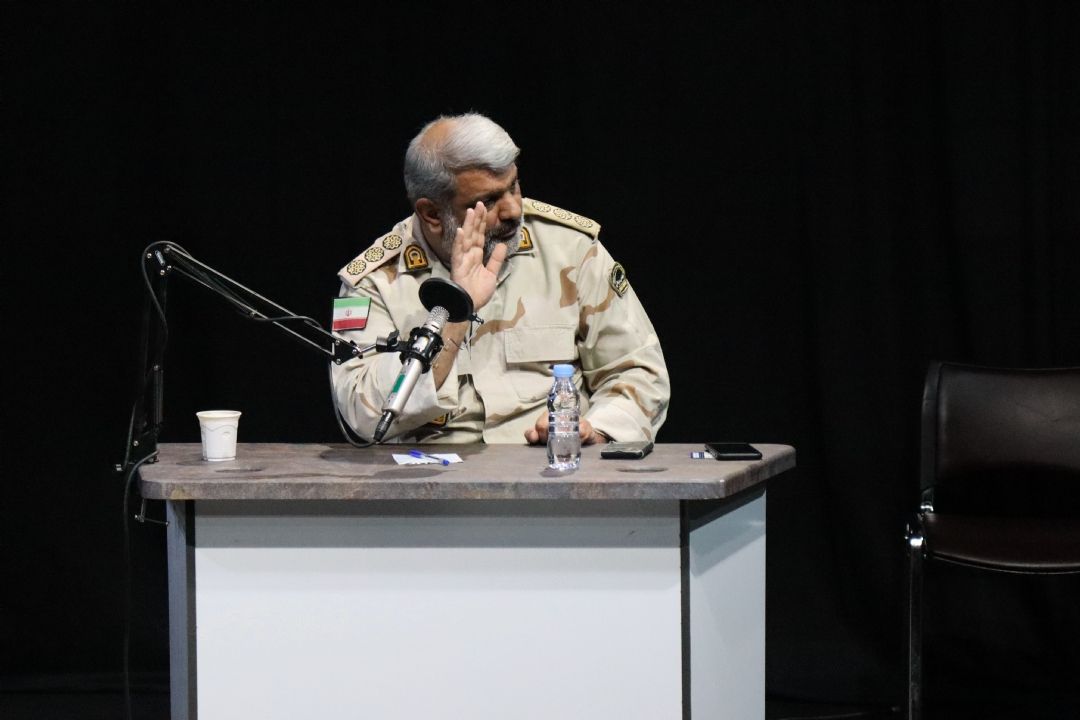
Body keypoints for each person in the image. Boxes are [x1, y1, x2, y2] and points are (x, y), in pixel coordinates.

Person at [331, 113, 669, 445]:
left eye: (514, 186)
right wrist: (456, 311)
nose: (513, 210)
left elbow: (639, 371)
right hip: (430, 475)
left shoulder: (571, 250)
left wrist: (595, 429)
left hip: (549, 468)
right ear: (432, 213)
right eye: (488, 201)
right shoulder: (373, 281)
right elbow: (363, 417)